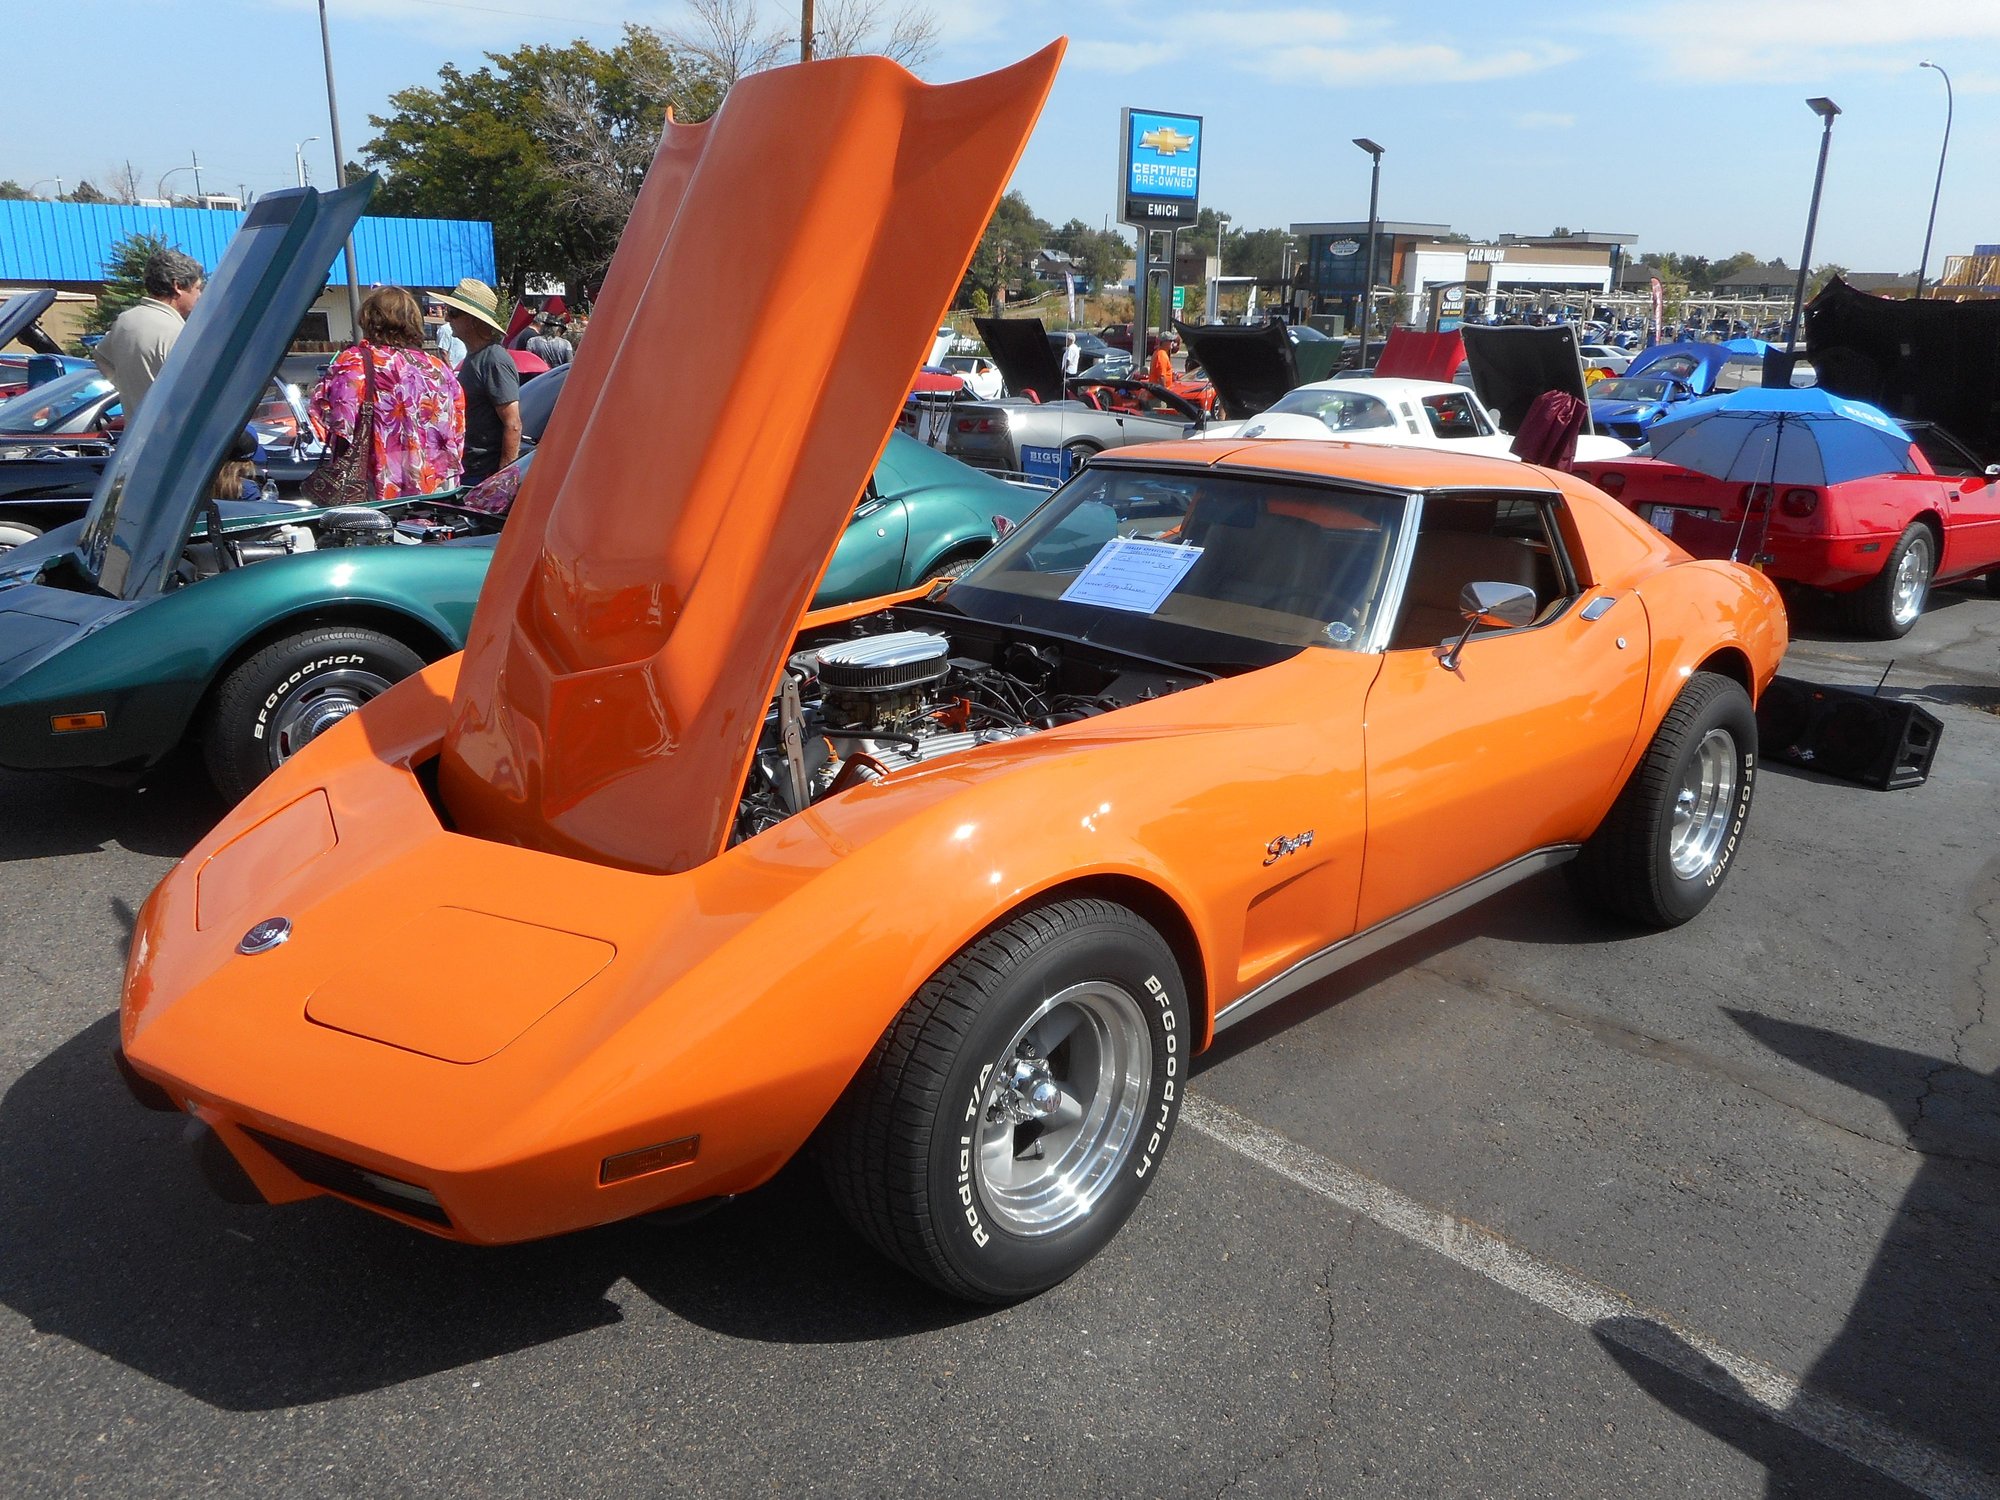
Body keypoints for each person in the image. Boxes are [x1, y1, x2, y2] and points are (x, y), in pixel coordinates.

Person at [307, 286, 465, 499]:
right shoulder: (438, 369)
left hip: (374, 489)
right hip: (432, 490)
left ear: (368, 320)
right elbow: (457, 428)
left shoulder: (354, 363)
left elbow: (336, 423)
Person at [93, 247, 204, 415]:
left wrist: (130, 392)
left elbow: (100, 357)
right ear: (177, 286)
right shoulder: (176, 333)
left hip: (137, 432)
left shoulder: (125, 321)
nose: (200, 295)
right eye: (197, 288)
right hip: (172, 435)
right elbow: (195, 393)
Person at [434, 278, 521, 486]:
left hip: (485, 474)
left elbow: (513, 424)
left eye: (454, 313)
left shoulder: (493, 359)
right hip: (470, 469)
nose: (448, 318)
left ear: (472, 320)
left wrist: (501, 480)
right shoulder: (475, 357)